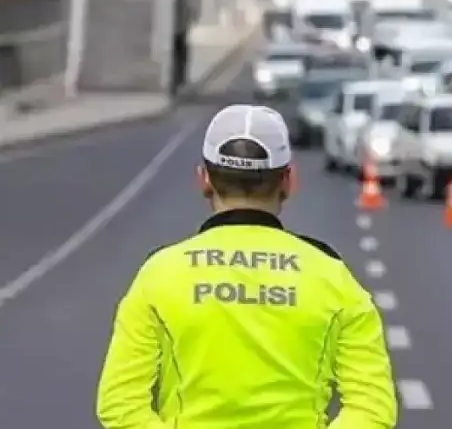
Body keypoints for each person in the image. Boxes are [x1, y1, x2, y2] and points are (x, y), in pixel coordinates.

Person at [96, 104, 398, 429]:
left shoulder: (160, 275)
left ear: (204, 179)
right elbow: (372, 409)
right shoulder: (332, 277)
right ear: (288, 181)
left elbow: (119, 405)